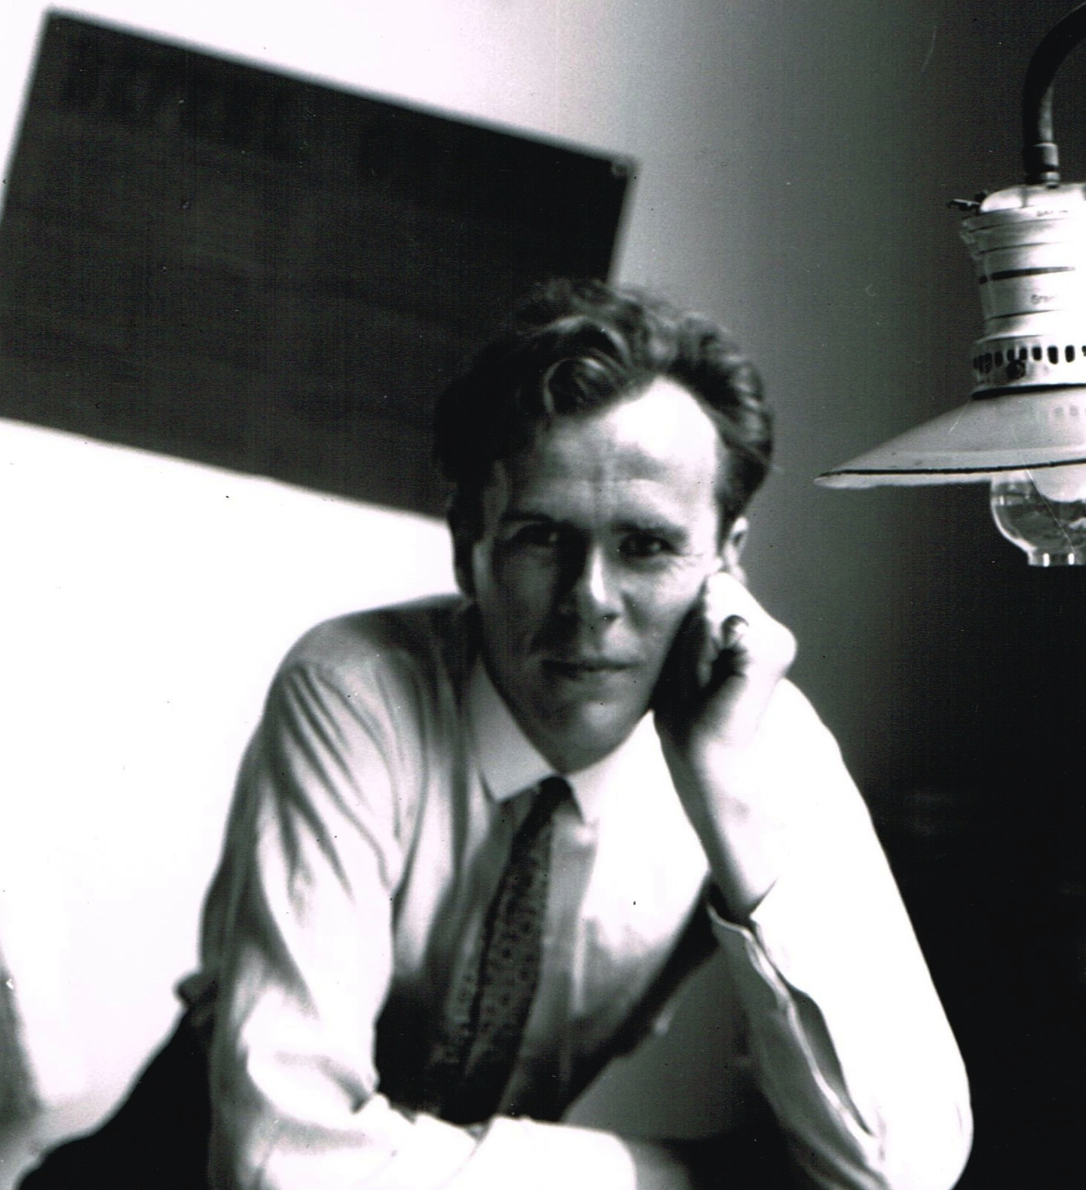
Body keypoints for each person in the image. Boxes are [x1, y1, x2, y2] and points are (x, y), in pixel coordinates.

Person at [20, 279, 971, 1190]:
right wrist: (688, 1178)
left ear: (727, 561)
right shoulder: (356, 690)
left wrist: (725, 796)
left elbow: (905, 1167)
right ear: (466, 542)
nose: (590, 604)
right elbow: (284, 1165)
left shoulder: (762, 743)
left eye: (645, 544)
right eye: (543, 538)